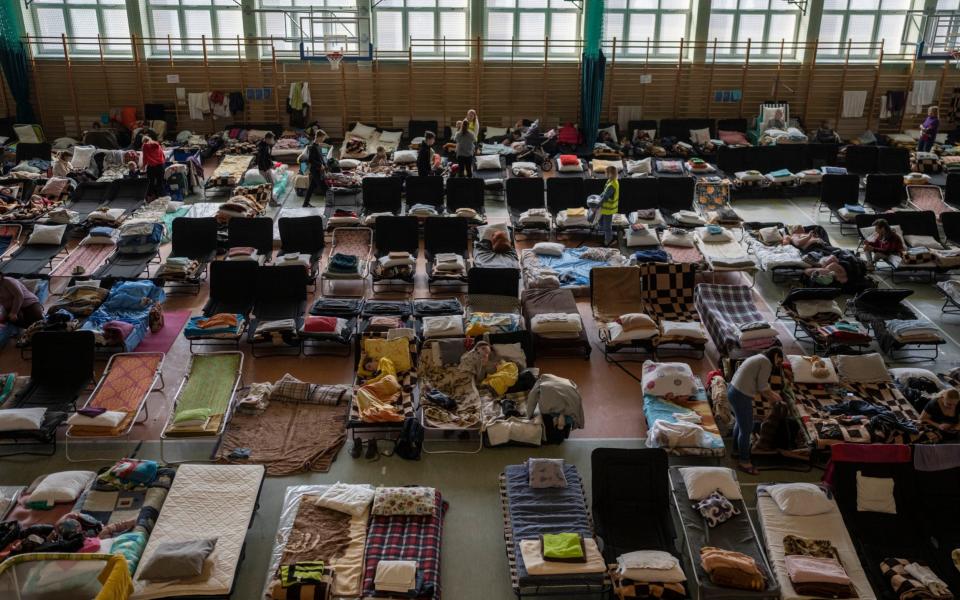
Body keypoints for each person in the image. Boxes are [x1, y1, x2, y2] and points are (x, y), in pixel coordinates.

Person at [727, 347, 784, 475]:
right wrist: (775, 397)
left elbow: (761, 386)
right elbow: (762, 387)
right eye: (779, 361)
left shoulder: (758, 357)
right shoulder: (766, 363)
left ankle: (736, 450)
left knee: (740, 423)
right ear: (775, 356)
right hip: (740, 394)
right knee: (747, 428)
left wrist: (772, 395)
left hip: (732, 389)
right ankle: (744, 461)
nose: (778, 365)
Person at [301, 130, 328, 208]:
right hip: (315, 170)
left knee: (311, 187)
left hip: (319, 169)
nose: (323, 139)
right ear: (319, 137)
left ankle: (305, 203)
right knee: (324, 188)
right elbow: (311, 160)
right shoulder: (312, 147)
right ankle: (330, 204)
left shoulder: (318, 145)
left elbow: (321, 157)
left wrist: (324, 164)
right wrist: (320, 165)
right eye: (323, 138)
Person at [597, 165, 619, 246]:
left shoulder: (612, 185)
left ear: (610, 173)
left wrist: (597, 205)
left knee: (607, 226)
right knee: (600, 222)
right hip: (605, 208)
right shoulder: (610, 181)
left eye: (606, 172)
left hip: (608, 209)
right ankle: (609, 235)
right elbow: (604, 192)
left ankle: (609, 241)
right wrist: (598, 197)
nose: (605, 173)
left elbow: (605, 197)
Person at [256, 132, 278, 206]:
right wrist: (265, 170)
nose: (272, 140)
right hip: (263, 169)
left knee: (271, 184)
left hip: (266, 168)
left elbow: (267, 157)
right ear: (267, 139)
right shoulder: (262, 147)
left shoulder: (266, 145)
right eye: (271, 139)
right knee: (271, 184)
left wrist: (271, 165)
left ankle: (270, 200)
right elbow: (260, 160)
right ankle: (271, 201)